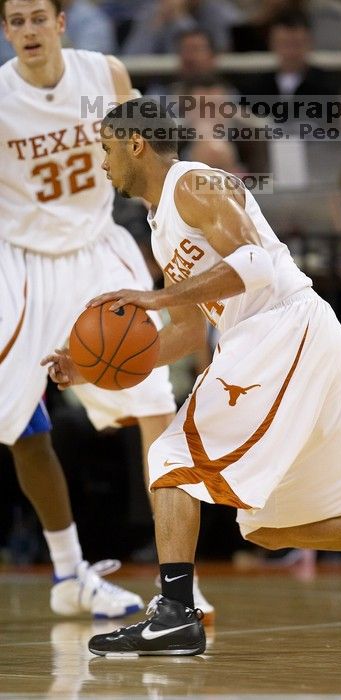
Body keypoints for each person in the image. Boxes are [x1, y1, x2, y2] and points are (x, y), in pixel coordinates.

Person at [43, 97, 341, 656]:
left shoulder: (195, 184)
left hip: (282, 328)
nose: (102, 162)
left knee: (170, 460)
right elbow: (191, 331)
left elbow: (258, 264)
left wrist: (154, 296)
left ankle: (174, 613)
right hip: (276, 339)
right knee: (268, 525)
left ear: (134, 143)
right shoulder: (160, 223)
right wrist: (94, 367)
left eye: (106, 148)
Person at [0, 0, 212, 621]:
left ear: (62, 22)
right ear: (6, 30)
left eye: (39, 17)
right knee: (16, 418)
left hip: (98, 248)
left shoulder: (107, 75)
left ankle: (179, 581)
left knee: (155, 405)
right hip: (24, 261)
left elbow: (147, 158)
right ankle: (69, 572)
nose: (30, 30)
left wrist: (170, 235)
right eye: (17, 21)